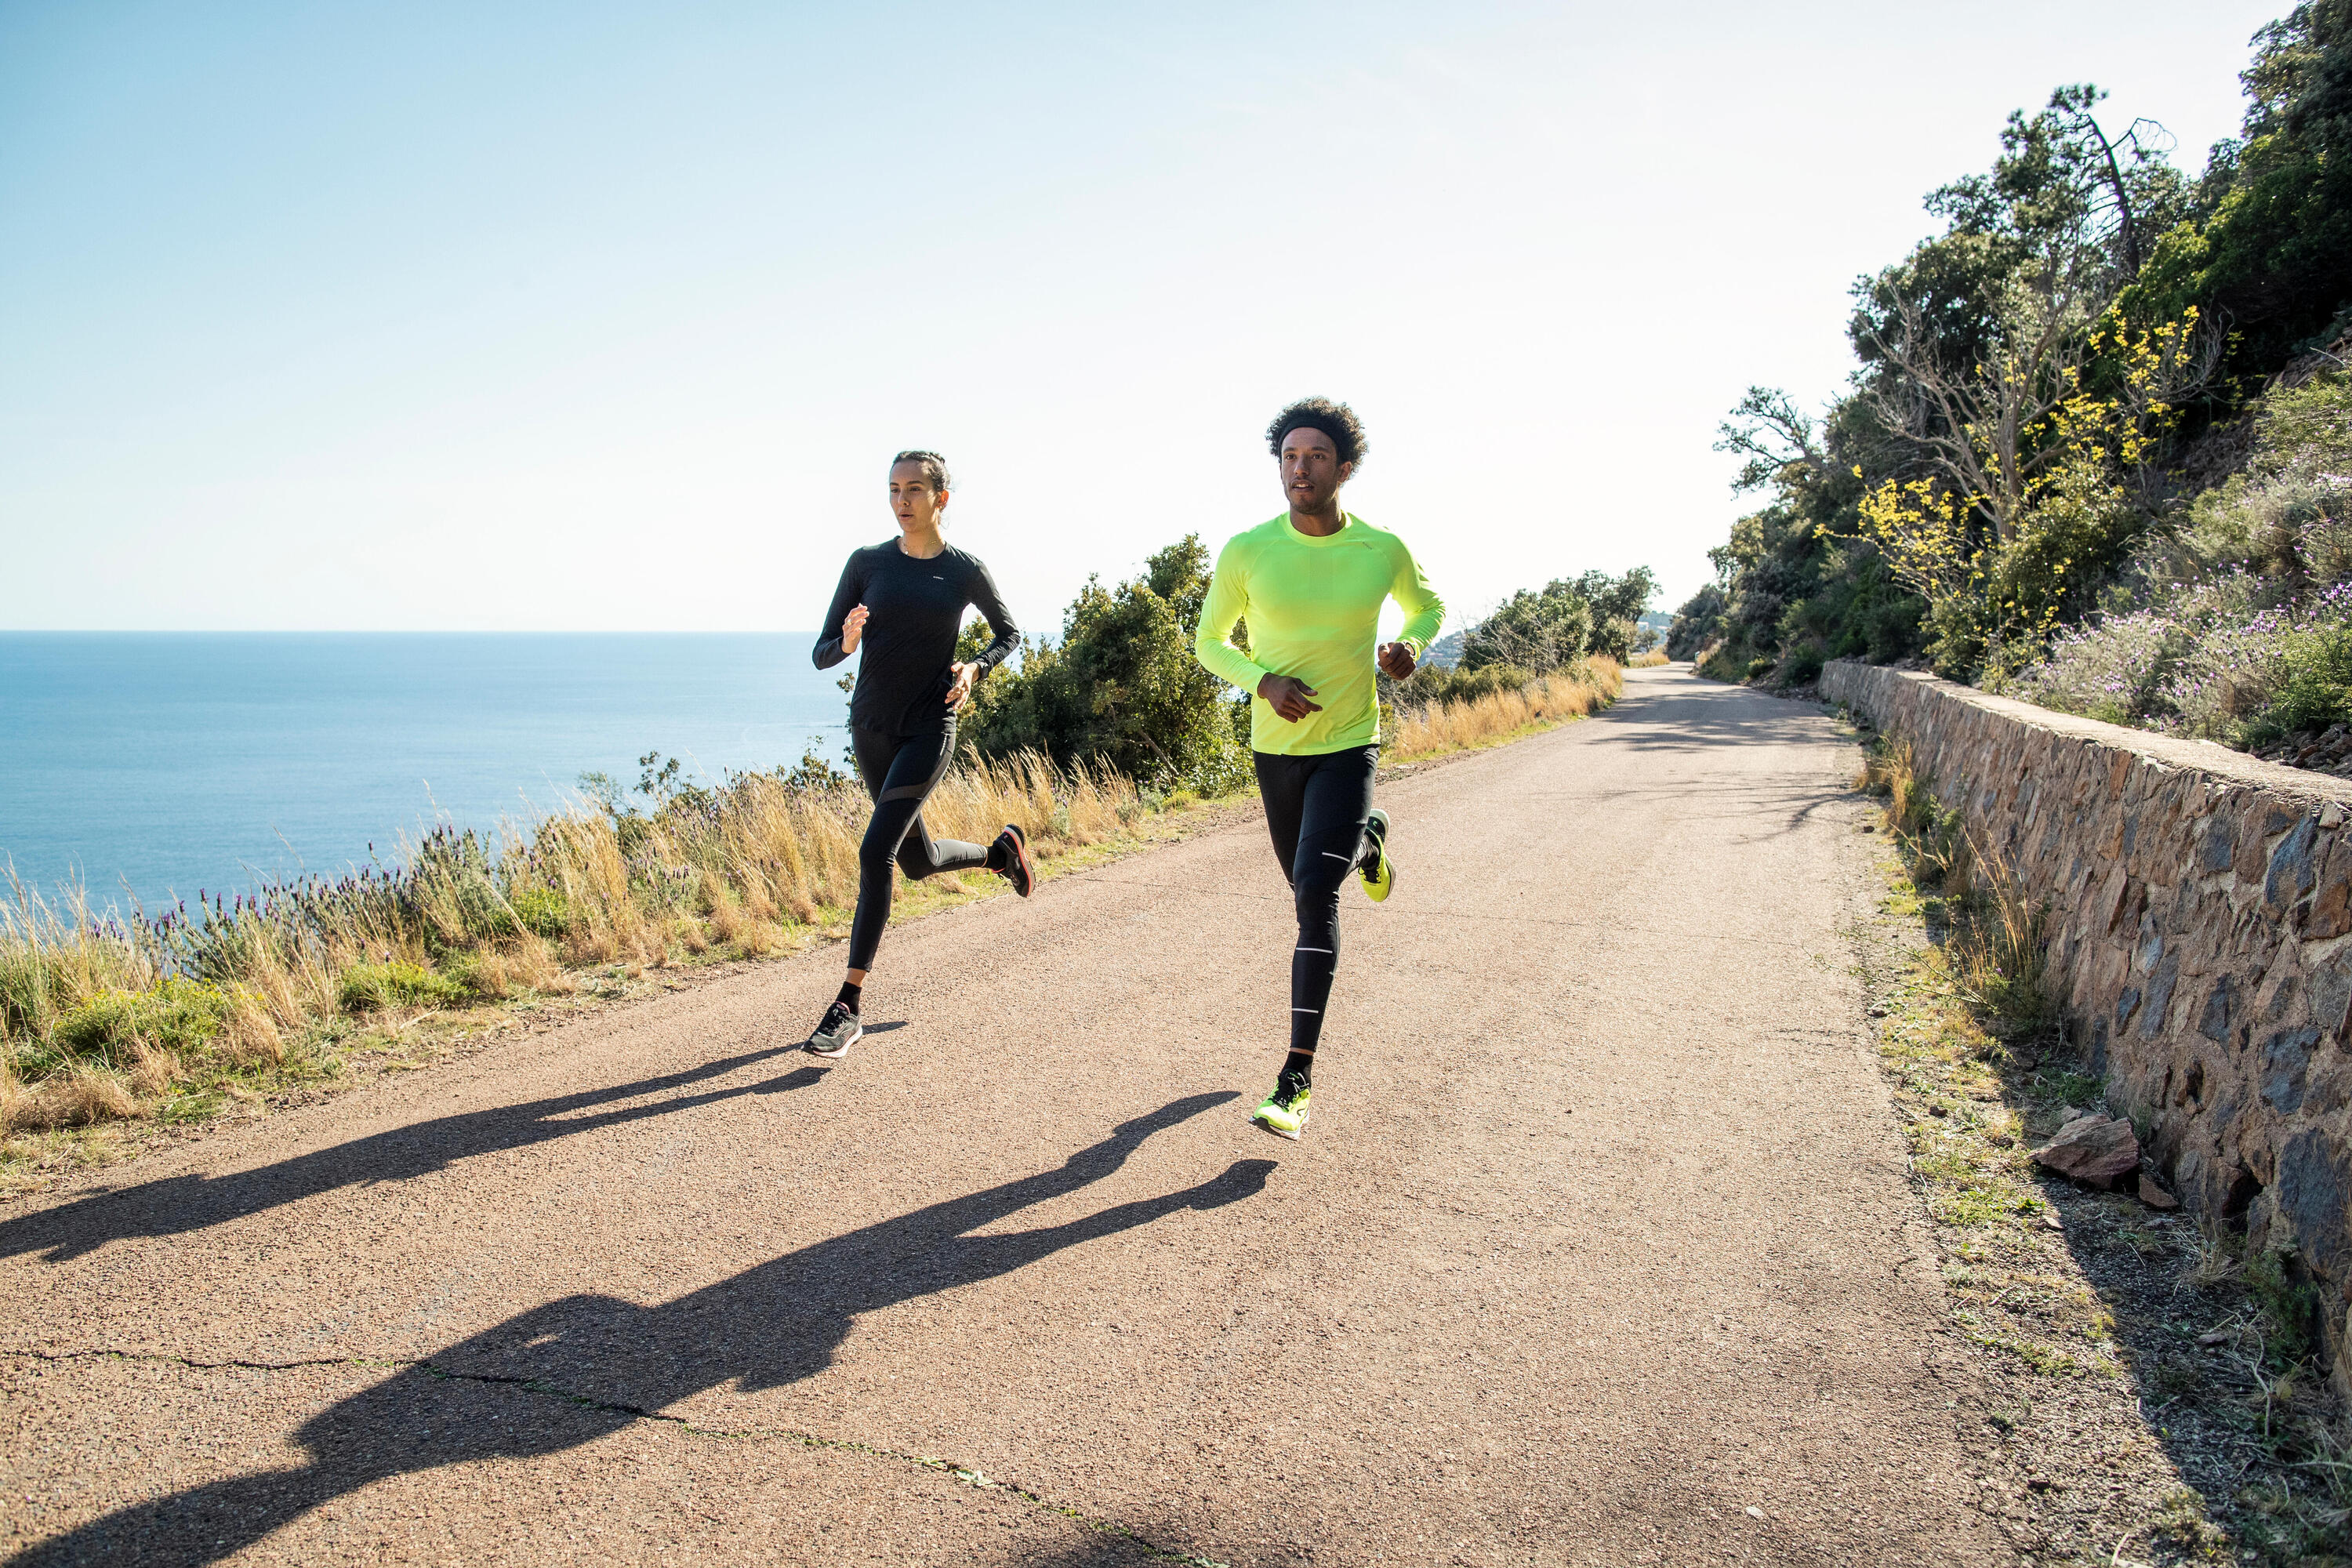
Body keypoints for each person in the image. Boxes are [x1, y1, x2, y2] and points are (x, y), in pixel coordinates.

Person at [1193, 398, 1444, 1139]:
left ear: (1343, 468)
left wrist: (1408, 650)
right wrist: (1262, 681)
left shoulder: (1381, 550)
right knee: (1304, 878)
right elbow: (1210, 642)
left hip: (1350, 739)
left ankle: (1295, 1077)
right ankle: (1368, 842)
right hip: (1276, 749)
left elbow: (1426, 607)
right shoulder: (1248, 551)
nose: (1299, 470)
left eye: (1315, 458)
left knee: (1313, 899)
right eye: (1289, 458)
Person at [804, 450, 1033, 1058]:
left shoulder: (963, 571)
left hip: (931, 726)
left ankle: (848, 1005)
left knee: (874, 851)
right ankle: (998, 854)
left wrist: (975, 668)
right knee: (917, 861)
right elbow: (822, 652)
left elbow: (1009, 633)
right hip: (872, 728)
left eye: (913, 489)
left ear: (941, 499)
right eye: (893, 489)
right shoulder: (866, 563)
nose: (901, 500)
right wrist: (848, 639)